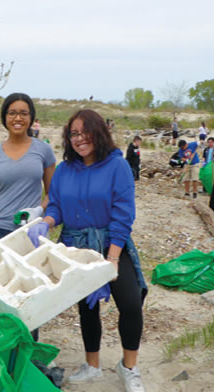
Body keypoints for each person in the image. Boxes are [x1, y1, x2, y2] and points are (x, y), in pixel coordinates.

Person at [27, 109, 147, 391]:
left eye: (86, 132)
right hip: (75, 244)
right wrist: (45, 222)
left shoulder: (117, 166)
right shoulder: (65, 170)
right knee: (88, 307)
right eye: (74, 134)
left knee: (130, 304)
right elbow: (55, 205)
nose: (80, 139)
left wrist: (113, 258)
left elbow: (123, 214)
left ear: (99, 133)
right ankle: (92, 366)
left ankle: (128, 367)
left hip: (111, 242)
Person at [0, 92, 56, 248]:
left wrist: (39, 210)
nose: (18, 118)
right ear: (4, 117)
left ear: (31, 118)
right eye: (12, 113)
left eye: (23, 114)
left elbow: (53, 194)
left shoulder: (44, 150)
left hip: (31, 231)